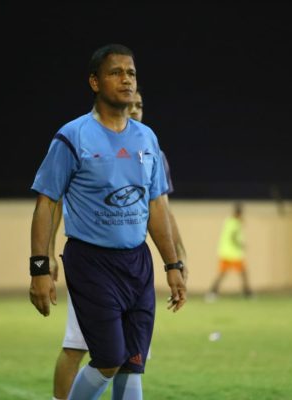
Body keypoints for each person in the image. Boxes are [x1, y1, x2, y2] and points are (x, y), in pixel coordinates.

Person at [29, 43, 187, 400]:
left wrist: (173, 264)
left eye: (131, 73)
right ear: (95, 82)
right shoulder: (72, 136)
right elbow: (46, 202)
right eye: (116, 72)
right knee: (109, 358)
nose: (126, 79)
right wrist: (39, 266)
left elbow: (157, 207)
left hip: (137, 263)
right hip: (92, 262)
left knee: (133, 362)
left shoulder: (147, 139)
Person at [205, 202, 253, 301]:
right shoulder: (235, 223)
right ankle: (247, 293)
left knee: (224, 274)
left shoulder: (228, 221)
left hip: (226, 252)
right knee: (241, 273)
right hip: (233, 253)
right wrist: (241, 244)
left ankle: (212, 293)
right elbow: (233, 236)